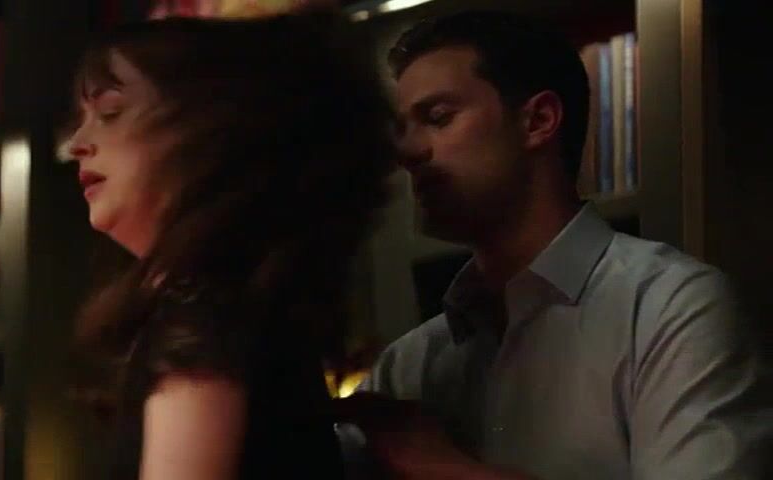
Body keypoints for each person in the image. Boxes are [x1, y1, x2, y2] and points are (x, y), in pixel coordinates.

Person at [336, 10, 772, 480]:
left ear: (538, 121)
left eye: (438, 118)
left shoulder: (671, 310)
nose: (408, 152)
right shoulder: (407, 367)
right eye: (403, 130)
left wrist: (444, 467)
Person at [60, 8, 396, 479]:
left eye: (110, 113)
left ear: (213, 131)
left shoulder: (204, 318)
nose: (77, 143)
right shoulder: (228, 307)